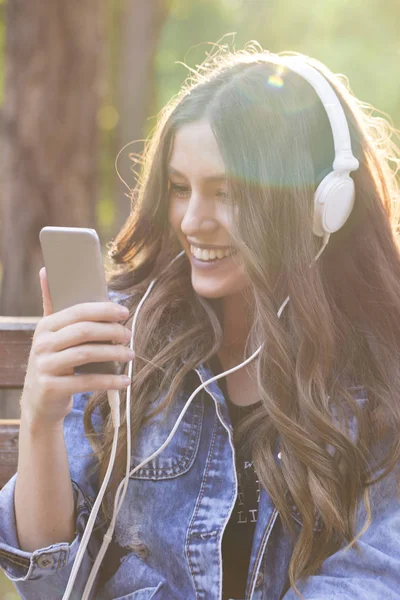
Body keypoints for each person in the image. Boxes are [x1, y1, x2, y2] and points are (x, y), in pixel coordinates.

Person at [1, 43, 400, 600]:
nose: (193, 221)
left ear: (318, 204)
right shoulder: (128, 332)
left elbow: (378, 576)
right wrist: (41, 419)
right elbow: (53, 585)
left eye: (227, 193)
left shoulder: (380, 360)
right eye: (180, 188)